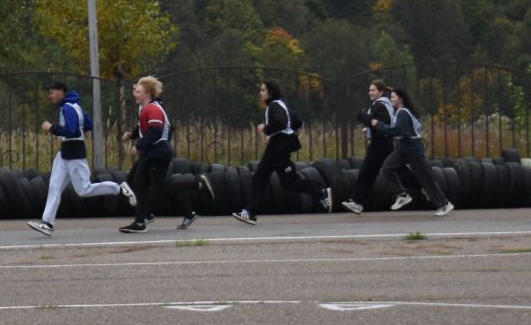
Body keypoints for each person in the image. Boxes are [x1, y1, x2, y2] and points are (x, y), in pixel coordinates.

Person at [26, 81, 130, 236]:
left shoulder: (67, 108)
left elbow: (72, 131)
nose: (50, 96)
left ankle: (119, 189)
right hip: (65, 153)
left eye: (52, 92)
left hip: (74, 154)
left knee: (83, 190)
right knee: (54, 186)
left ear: (61, 92)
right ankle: (47, 223)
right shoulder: (75, 106)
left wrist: (51, 128)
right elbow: (88, 124)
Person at [116, 76, 211, 232]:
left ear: (147, 93)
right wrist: (133, 135)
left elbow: (156, 131)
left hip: (157, 153)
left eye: (138, 91)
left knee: (158, 188)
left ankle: (197, 183)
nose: (134, 93)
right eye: (134, 90)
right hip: (153, 152)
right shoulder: (146, 107)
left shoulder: (152, 108)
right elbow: (145, 127)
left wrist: (138, 145)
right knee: (139, 182)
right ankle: (143, 218)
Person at [233, 79, 330, 225]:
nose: (260, 93)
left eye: (263, 90)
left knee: (268, 178)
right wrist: (283, 131)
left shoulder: (274, 105)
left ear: (270, 92)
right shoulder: (282, 103)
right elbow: (297, 121)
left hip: (278, 145)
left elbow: (281, 122)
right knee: (279, 180)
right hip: (280, 144)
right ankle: (250, 211)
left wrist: (266, 129)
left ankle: (250, 211)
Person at [338, 80, 405, 214]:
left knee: (396, 172)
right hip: (379, 142)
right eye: (369, 90)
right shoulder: (383, 105)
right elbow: (380, 123)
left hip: (382, 143)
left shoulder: (380, 106)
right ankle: (357, 202)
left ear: (381, 92)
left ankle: (423, 187)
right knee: (367, 173)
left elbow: (382, 124)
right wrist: (368, 127)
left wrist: (364, 118)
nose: (370, 92)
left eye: (373, 90)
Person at [386, 89, 454, 217]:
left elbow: (399, 130)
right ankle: (402, 195)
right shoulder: (400, 112)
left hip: (412, 149)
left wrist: (381, 127)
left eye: (393, 97)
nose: (391, 99)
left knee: (425, 177)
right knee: (387, 168)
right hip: (403, 149)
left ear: (401, 99)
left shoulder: (403, 113)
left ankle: (444, 204)